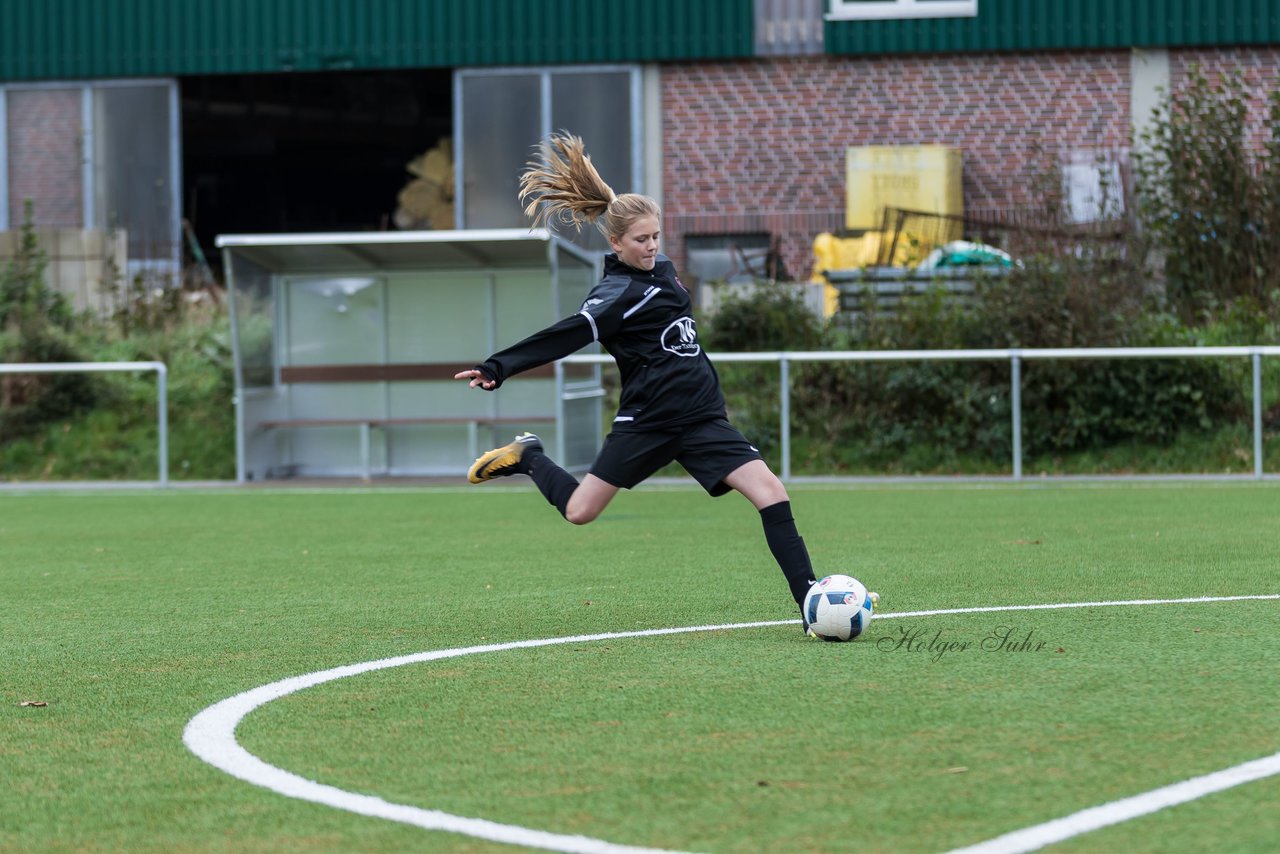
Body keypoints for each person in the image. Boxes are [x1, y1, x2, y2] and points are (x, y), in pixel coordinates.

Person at [454, 133, 818, 625]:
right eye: (640, 240)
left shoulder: (663, 269)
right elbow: (566, 335)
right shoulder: (616, 294)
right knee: (580, 511)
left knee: (772, 493)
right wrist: (499, 367)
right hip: (647, 421)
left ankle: (810, 602)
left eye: (655, 237)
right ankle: (529, 456)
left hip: (702, 417)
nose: (651, 247)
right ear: (616, 243)